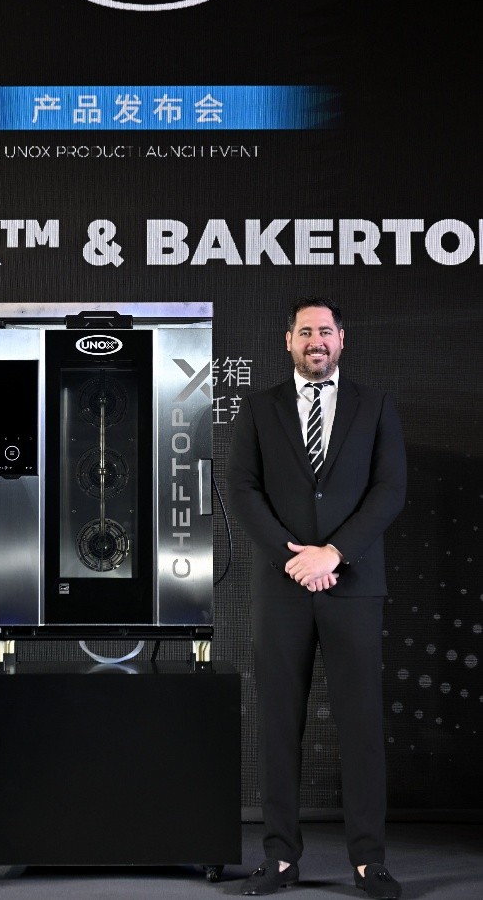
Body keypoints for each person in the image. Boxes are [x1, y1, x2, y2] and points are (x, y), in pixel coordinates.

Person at [227, 298, 406, 900]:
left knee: (361, 726)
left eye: (325, 331)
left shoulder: (375, 406)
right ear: (289, 341)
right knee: (279, 725)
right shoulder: (259, 409)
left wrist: (333, 553)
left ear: (341, 339)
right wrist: (294, 558)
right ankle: (280, 858)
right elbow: (243, 490)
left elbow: (389, 490)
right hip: (282, 589)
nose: (316, 340)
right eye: (305, 331)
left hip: (353, 585)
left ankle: (369, 861)